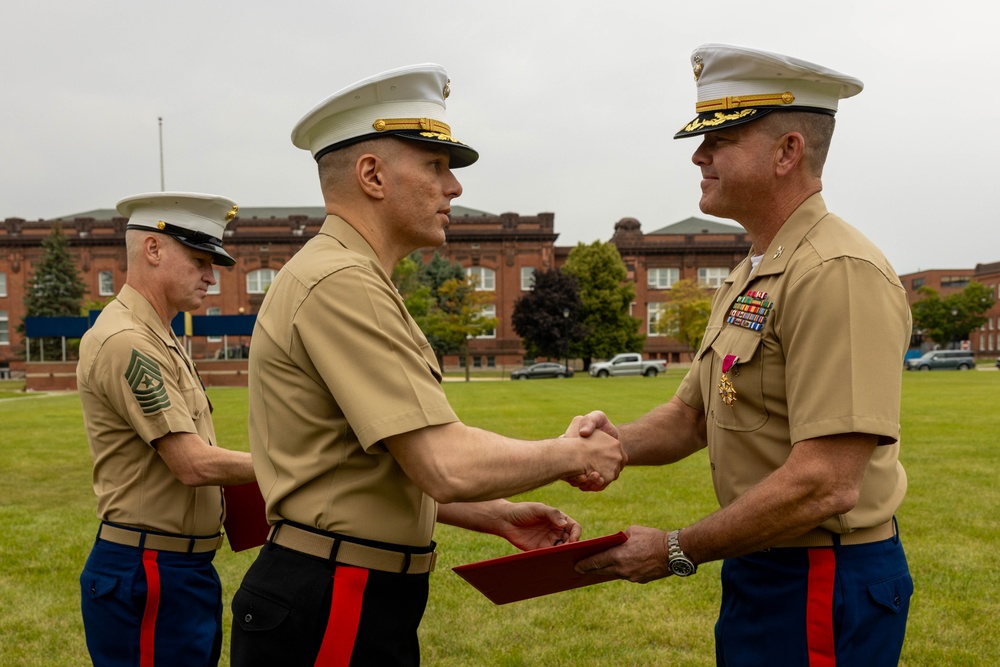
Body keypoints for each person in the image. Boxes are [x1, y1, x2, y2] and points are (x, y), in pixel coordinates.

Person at [229, 63, 626, 667]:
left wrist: (498, 516)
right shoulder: (341, 281)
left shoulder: (349, 275)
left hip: (350, 587)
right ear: (372, 176)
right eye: (436, 167)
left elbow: (376, 466)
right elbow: (443, 463)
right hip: (335, 594)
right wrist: (573, 453)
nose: (454, 188)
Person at [570, 44, 914, 665]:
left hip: (821, 575)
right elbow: (694, 416)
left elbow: (826, 485)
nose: (699, 154)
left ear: (788, 151)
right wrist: (598, 446)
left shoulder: (834, 271)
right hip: (765, 566)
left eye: (721, 137)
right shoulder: (754, 271)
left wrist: (675, 547)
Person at [78, 192, 256, 666]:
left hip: (178, 567)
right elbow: (193, 463)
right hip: (150, 570)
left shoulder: (159, 334)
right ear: (153, 251)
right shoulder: (128, 341)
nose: (211, 276)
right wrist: (300, 465)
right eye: (199, 259)